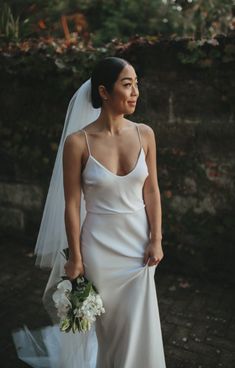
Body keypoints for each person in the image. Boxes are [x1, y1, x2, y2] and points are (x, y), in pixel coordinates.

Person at [12, 57, 166, 368]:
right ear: (104, 92)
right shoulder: (77, 143)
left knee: (138, 324)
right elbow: (71, 203)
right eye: (127, 84)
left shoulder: (145, 134)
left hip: (138, 247)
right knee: (108, 331)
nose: (136, 91)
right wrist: (76, 257)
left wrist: (156, 238)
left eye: (137, 83)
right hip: (99, 248)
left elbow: (152, 190)